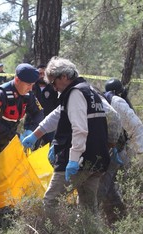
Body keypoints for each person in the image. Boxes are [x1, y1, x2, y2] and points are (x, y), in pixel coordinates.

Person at [22, 57, 110, 214]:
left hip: (79, 161)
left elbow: (79, 129)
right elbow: (57, 115)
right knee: (88, 210)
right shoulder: (89, 90)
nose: (54, 88)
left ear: (64, 77)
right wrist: (35, 135)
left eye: (54, 82)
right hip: (97, 159)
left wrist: (73, 160)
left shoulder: (75, 94)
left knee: (50, 202)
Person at [0, 63, 44, 204]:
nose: (31, 88)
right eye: (28, 84)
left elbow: (39, 112)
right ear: (17, 80)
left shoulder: (27, 94)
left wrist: (31, 131)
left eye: (32, 85)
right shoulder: (1, 94)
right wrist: (15, 136)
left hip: (5, 144)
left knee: (3, 178)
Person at [99, 78, 143, 224]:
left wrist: (135, 152)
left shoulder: (116, 103)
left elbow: (137, 127)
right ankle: (119, 219)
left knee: (117, 186)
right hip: (111, 151)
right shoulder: (103, 101)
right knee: (111, 188)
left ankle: (137, 217)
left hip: (120, 152)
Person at [28, 64, 59, 147]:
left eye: (44, 74)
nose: (41, 76)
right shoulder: (31, 86)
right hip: (33, 123)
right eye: (39, 73)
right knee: (31, 148)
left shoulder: (54, 88)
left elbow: (58, 105)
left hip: (49, 123)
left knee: (49, 147)